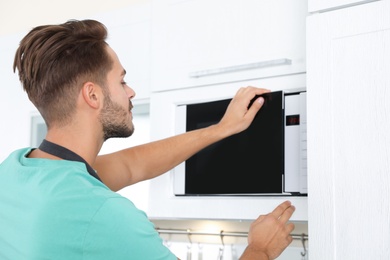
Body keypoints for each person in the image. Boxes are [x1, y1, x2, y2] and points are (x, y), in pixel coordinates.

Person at [0, 19, 295, 260]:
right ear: (92, 95)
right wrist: (261, 250)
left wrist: (220, 129)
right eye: (121, 81)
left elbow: (132, 165)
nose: (131, 93)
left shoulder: (14, 172)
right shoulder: (105, 213)